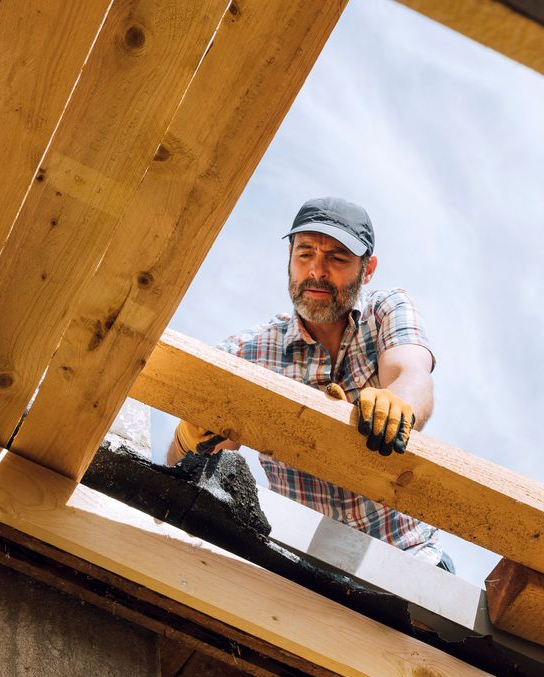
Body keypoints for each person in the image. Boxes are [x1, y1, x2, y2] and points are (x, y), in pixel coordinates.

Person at [167, 197, 449, 570]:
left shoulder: (385, 312)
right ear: (289, 258)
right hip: (301, 563)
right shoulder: (249, 352)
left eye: (337, 257)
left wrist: (400, 406)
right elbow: (176, 467)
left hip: (411, 561)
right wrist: (189, 440)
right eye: (305, 254)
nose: (317, 270)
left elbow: (412, 375)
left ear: (367, 270)